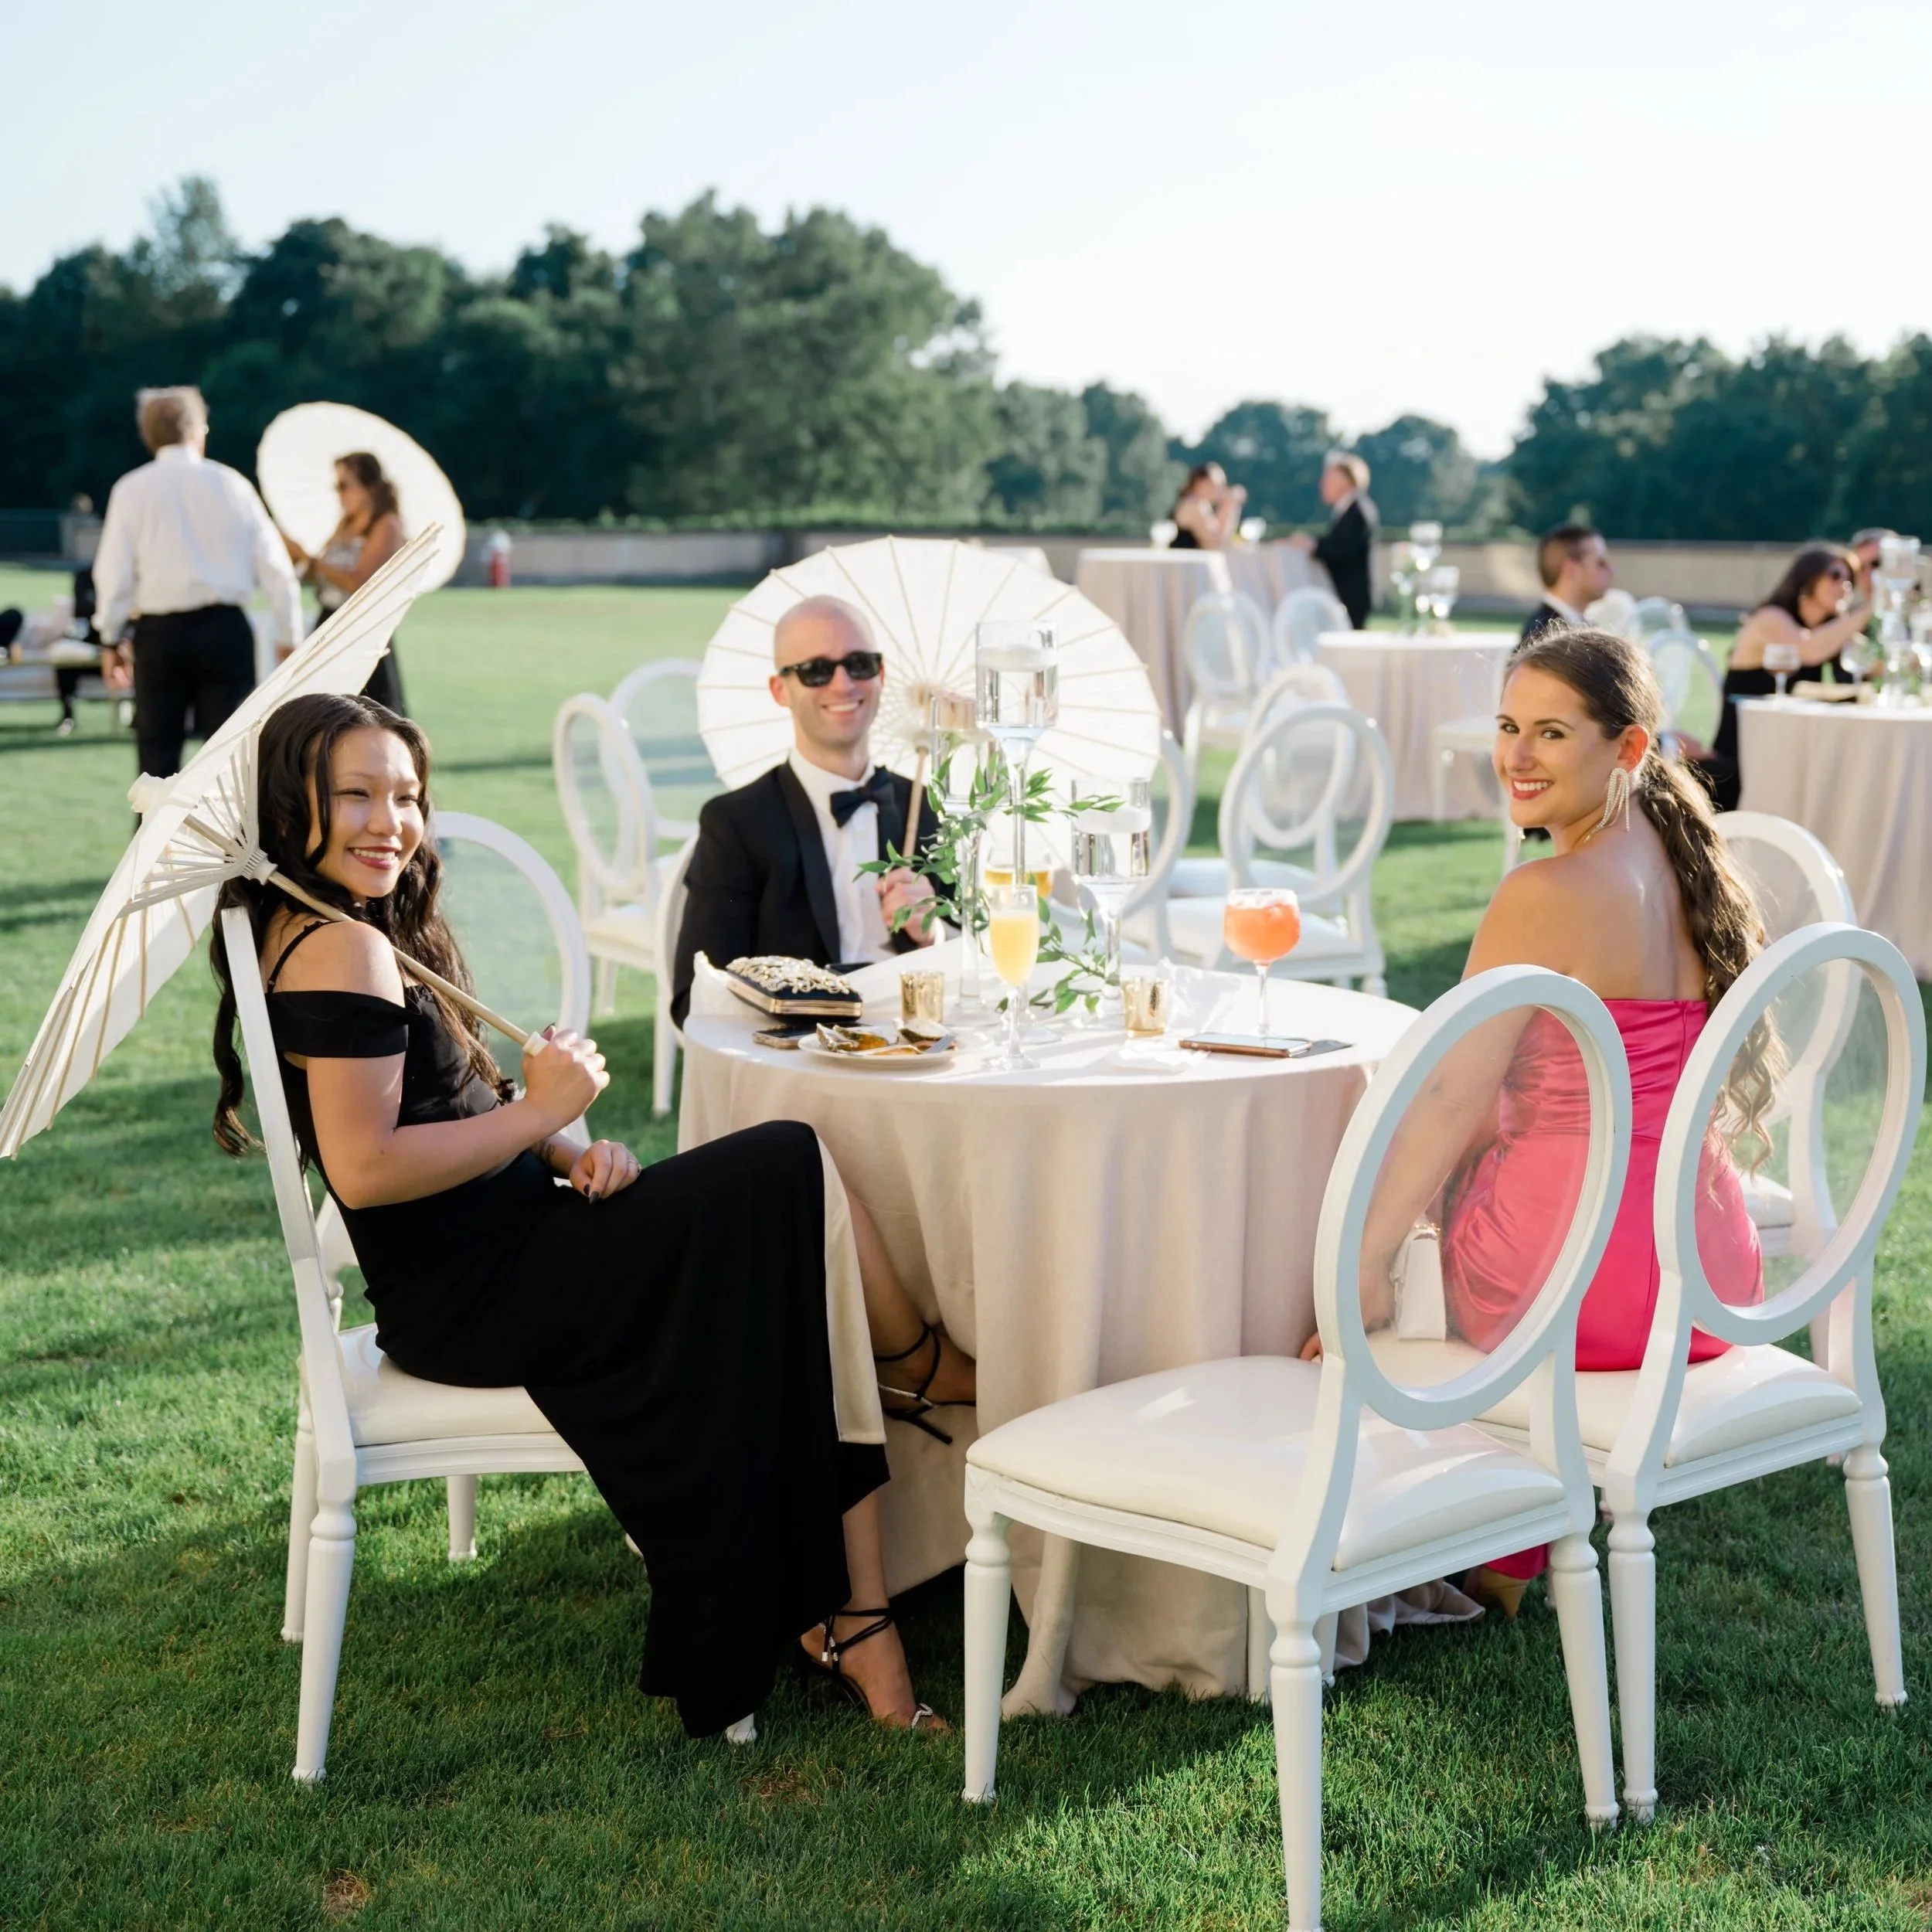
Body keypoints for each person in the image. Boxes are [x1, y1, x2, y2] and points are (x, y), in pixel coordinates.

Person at [210, 691, 977, 1735]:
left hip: (515, 1249)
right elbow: (371, 1167)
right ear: (290, 800)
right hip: (484, 1295)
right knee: (789, 1170)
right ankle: (916, 1389)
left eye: (406, 795)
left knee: (785, 1206)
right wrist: (538, 1111)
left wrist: (570, 1147)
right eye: (355, 795)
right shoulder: (339, 949)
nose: (389, 820)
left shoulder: (346, 927)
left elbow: (451, 1107)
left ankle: (862, 1589)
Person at [1307, 628, 1766, 1616]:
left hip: (1574, 1281)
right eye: (1508, 726)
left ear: (1629, 748)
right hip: (1706, 1266)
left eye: (1551, 732)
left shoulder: (1541, 891)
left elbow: (1453, 1098)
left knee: (1383, 1183)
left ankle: (1484, 1527)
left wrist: (1358, 1266)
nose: (1515, 755)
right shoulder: (1686, 858)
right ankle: (1520, 1539)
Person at [671, 596, 940, 1029]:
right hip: (803, 1061)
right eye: (816, 670)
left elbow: (983, 970)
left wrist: (933, 935)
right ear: (781, 690)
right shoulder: (736, 824)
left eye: (859, 664)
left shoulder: (925, 808)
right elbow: (695, 997)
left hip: (915, 1049)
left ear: (881, 675)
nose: (842, 685)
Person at [93, 387, 301, 781]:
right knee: (230, 765)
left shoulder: (132, 489)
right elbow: (276, 567)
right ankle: (232, 844)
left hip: (159, 634)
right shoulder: (232, 484)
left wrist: (110, 637)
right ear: (198, 431)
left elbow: (113, 573)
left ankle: (153, 841)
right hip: (224, 633)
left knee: (155, 765)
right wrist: (289, 635)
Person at [1702, 546, 1868, 812]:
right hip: (1742, 758)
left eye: (1849, 580)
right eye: (1835, 575)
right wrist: (1871, 608)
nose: (1844, 586)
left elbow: (1871, 664)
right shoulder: (1772, 618)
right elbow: (1807, 651)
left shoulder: (1828, 631)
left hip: (1788, 750)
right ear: (1808, 577)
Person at [281, 452, 408, 714]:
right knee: (324, 713)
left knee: (370, 715)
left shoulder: (386, 525)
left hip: (362, 629)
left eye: (344, 485)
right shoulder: (344, 524)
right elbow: (323, 578)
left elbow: (360, 582)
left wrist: (309, 557)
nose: (339, 494)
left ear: (369, 488)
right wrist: (296, 558)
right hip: (328, 623)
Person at [1290, 452, 1379, 630]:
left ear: (1344, 481)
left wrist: (1312, 545)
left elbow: (1342, 549)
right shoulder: (1348, 510)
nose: (1322, 484)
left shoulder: (1358, 511)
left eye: (1329, 478)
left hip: (1351, 597)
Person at [1520, 526, 1614, 645]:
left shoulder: (1577, 627)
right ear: (1571, 568)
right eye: (1601, 563)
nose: (1611, 570)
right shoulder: (1544, 639)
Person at [1168, 463, 1247, 551]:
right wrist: (1229, 505)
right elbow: (1216, 543)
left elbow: (1218, 532)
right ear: (1200, 483)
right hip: (1186, 562)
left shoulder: (1198, 505)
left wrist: (1229, 505)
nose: (1221, 489)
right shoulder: (1194, 506)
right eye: (1218, 484)